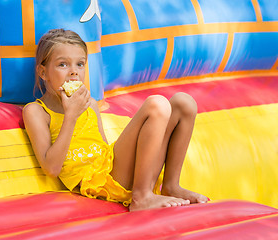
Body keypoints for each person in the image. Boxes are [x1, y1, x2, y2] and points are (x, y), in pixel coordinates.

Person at [23, 29, 208, 211]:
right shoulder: (36, 112)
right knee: (157, 104)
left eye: (80, 64)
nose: (74, 73)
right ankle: (141, 197)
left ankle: (170, 185)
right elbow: (52, 169)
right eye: (63, 64)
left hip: (117, 171)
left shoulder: (91, 105)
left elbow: (105, 150)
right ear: (42, 72)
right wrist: (70, 115)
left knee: (185, 103)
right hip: (97, 180)